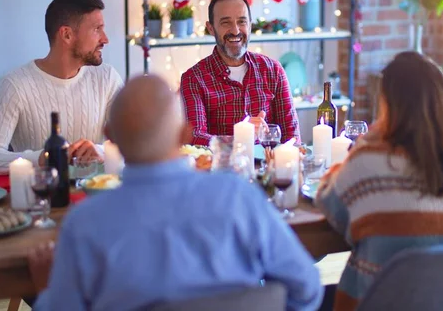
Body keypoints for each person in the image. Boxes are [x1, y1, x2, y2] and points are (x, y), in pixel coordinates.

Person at [28, 74, 323, 311]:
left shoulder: (84, 223)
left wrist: (46, 292)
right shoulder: (237, 196)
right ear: (184, 133)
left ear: (111, 137)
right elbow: (307, 289)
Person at [315, 52, 443, 310]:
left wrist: (371, 137)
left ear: (387, 103)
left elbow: (329, 203)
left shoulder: (370, 158)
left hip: (377, 302)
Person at [0, 0, 123, 175]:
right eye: (96, 29)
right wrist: (43, 158)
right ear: (66, 35)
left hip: (96, 197)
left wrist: (101, 152)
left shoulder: (107, 78)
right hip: (40, 199)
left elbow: (136, 144)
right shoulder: (15, 85)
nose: (105, 39)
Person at [180, 0, 300, 146]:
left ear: (250, 25)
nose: (235, 31)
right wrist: (241, 137)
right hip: (220, 169)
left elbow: (292, 136)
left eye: (242, 21)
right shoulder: (193, 78)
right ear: (211, 28)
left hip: (268, 168)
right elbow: (195, 137)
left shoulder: (273, 70)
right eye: (226, 22)